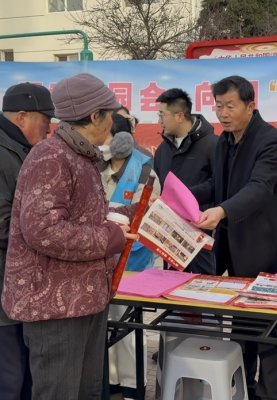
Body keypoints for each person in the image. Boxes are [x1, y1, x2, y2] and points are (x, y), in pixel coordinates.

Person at [1, 73, 137, 400]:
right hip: (56, 309)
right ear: (95, 116)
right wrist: (111, 237)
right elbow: (44, 231)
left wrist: (136, 212)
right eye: (111, 114)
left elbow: (82, 215)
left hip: (85, 299)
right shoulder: (51, 157)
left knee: (86, 392)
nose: (114, 123)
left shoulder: (79, 156)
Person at [194, 75, 277, 400]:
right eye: (218, 105)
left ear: (250, 105)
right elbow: (217, 185)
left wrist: (222, 211)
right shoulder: (224, 141)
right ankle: (244, 389)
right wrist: (183, 196)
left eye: (230, 106)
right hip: (234, 248)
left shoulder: (269, 140)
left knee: (267, 327)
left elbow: (260, 188)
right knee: (240, 325)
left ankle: (269, 394)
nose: (223, 113)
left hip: (265, 247)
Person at [100, 112, 161, 400]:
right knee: (106, 324)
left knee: (128, 323)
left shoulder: (144, 167)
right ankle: (111, 381)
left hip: (132, 257)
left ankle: (133, 384)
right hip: (100, 254)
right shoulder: (95, 164)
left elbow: (147, 211)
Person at [0, 82, 54, 400]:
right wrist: (49, 233)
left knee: (22, 378)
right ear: (21, 116)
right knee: (9, 379)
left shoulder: (20, 148)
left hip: (20, 289)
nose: (48, 130)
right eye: (44, 121)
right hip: (4, 291)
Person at [154, 88, 217, 275]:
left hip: (201, 234)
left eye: (162, 115)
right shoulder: (162, 150)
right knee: (171, 285)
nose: (159, 121)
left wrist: (184, 196)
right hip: (170, 236)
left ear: (180, 115)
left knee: (202, 286)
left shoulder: (213, 145)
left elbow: (219, 184)